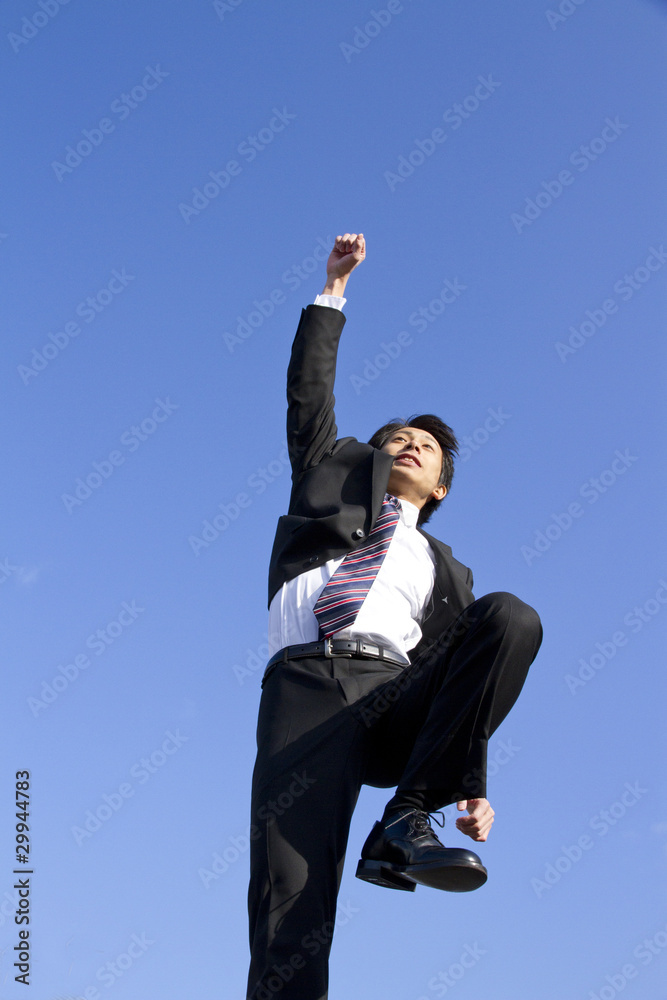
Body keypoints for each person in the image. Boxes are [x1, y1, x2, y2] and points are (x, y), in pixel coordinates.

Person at [246, 233, 542, 1000]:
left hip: (391, 699)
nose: (409, 445)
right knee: (291, 894)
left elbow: (466, 682)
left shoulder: (448, 571)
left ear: (440, 486)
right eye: (396, 440)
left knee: (510, 618)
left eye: (425, 446)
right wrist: (333, 290)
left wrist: (468, 778)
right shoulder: (325, 484)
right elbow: (309, 395)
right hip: (307, 695)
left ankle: (404, 819)